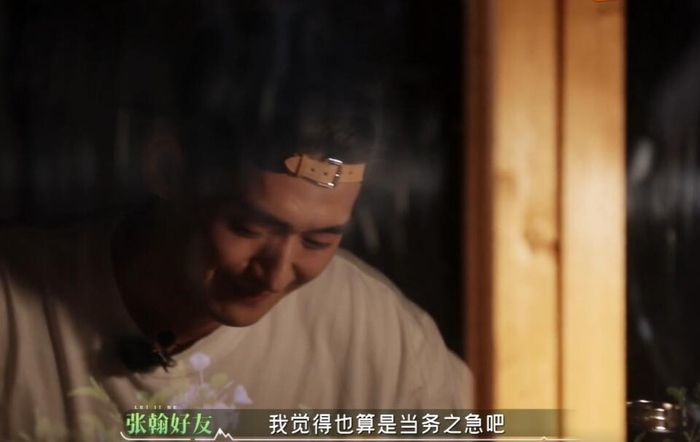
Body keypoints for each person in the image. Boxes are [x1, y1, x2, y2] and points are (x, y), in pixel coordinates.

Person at [0, 5, 473, 441]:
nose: (277, 273)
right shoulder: (15, 308)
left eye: (317, 240)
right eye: (249, 228)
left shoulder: (381, 337)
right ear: (168, 169)